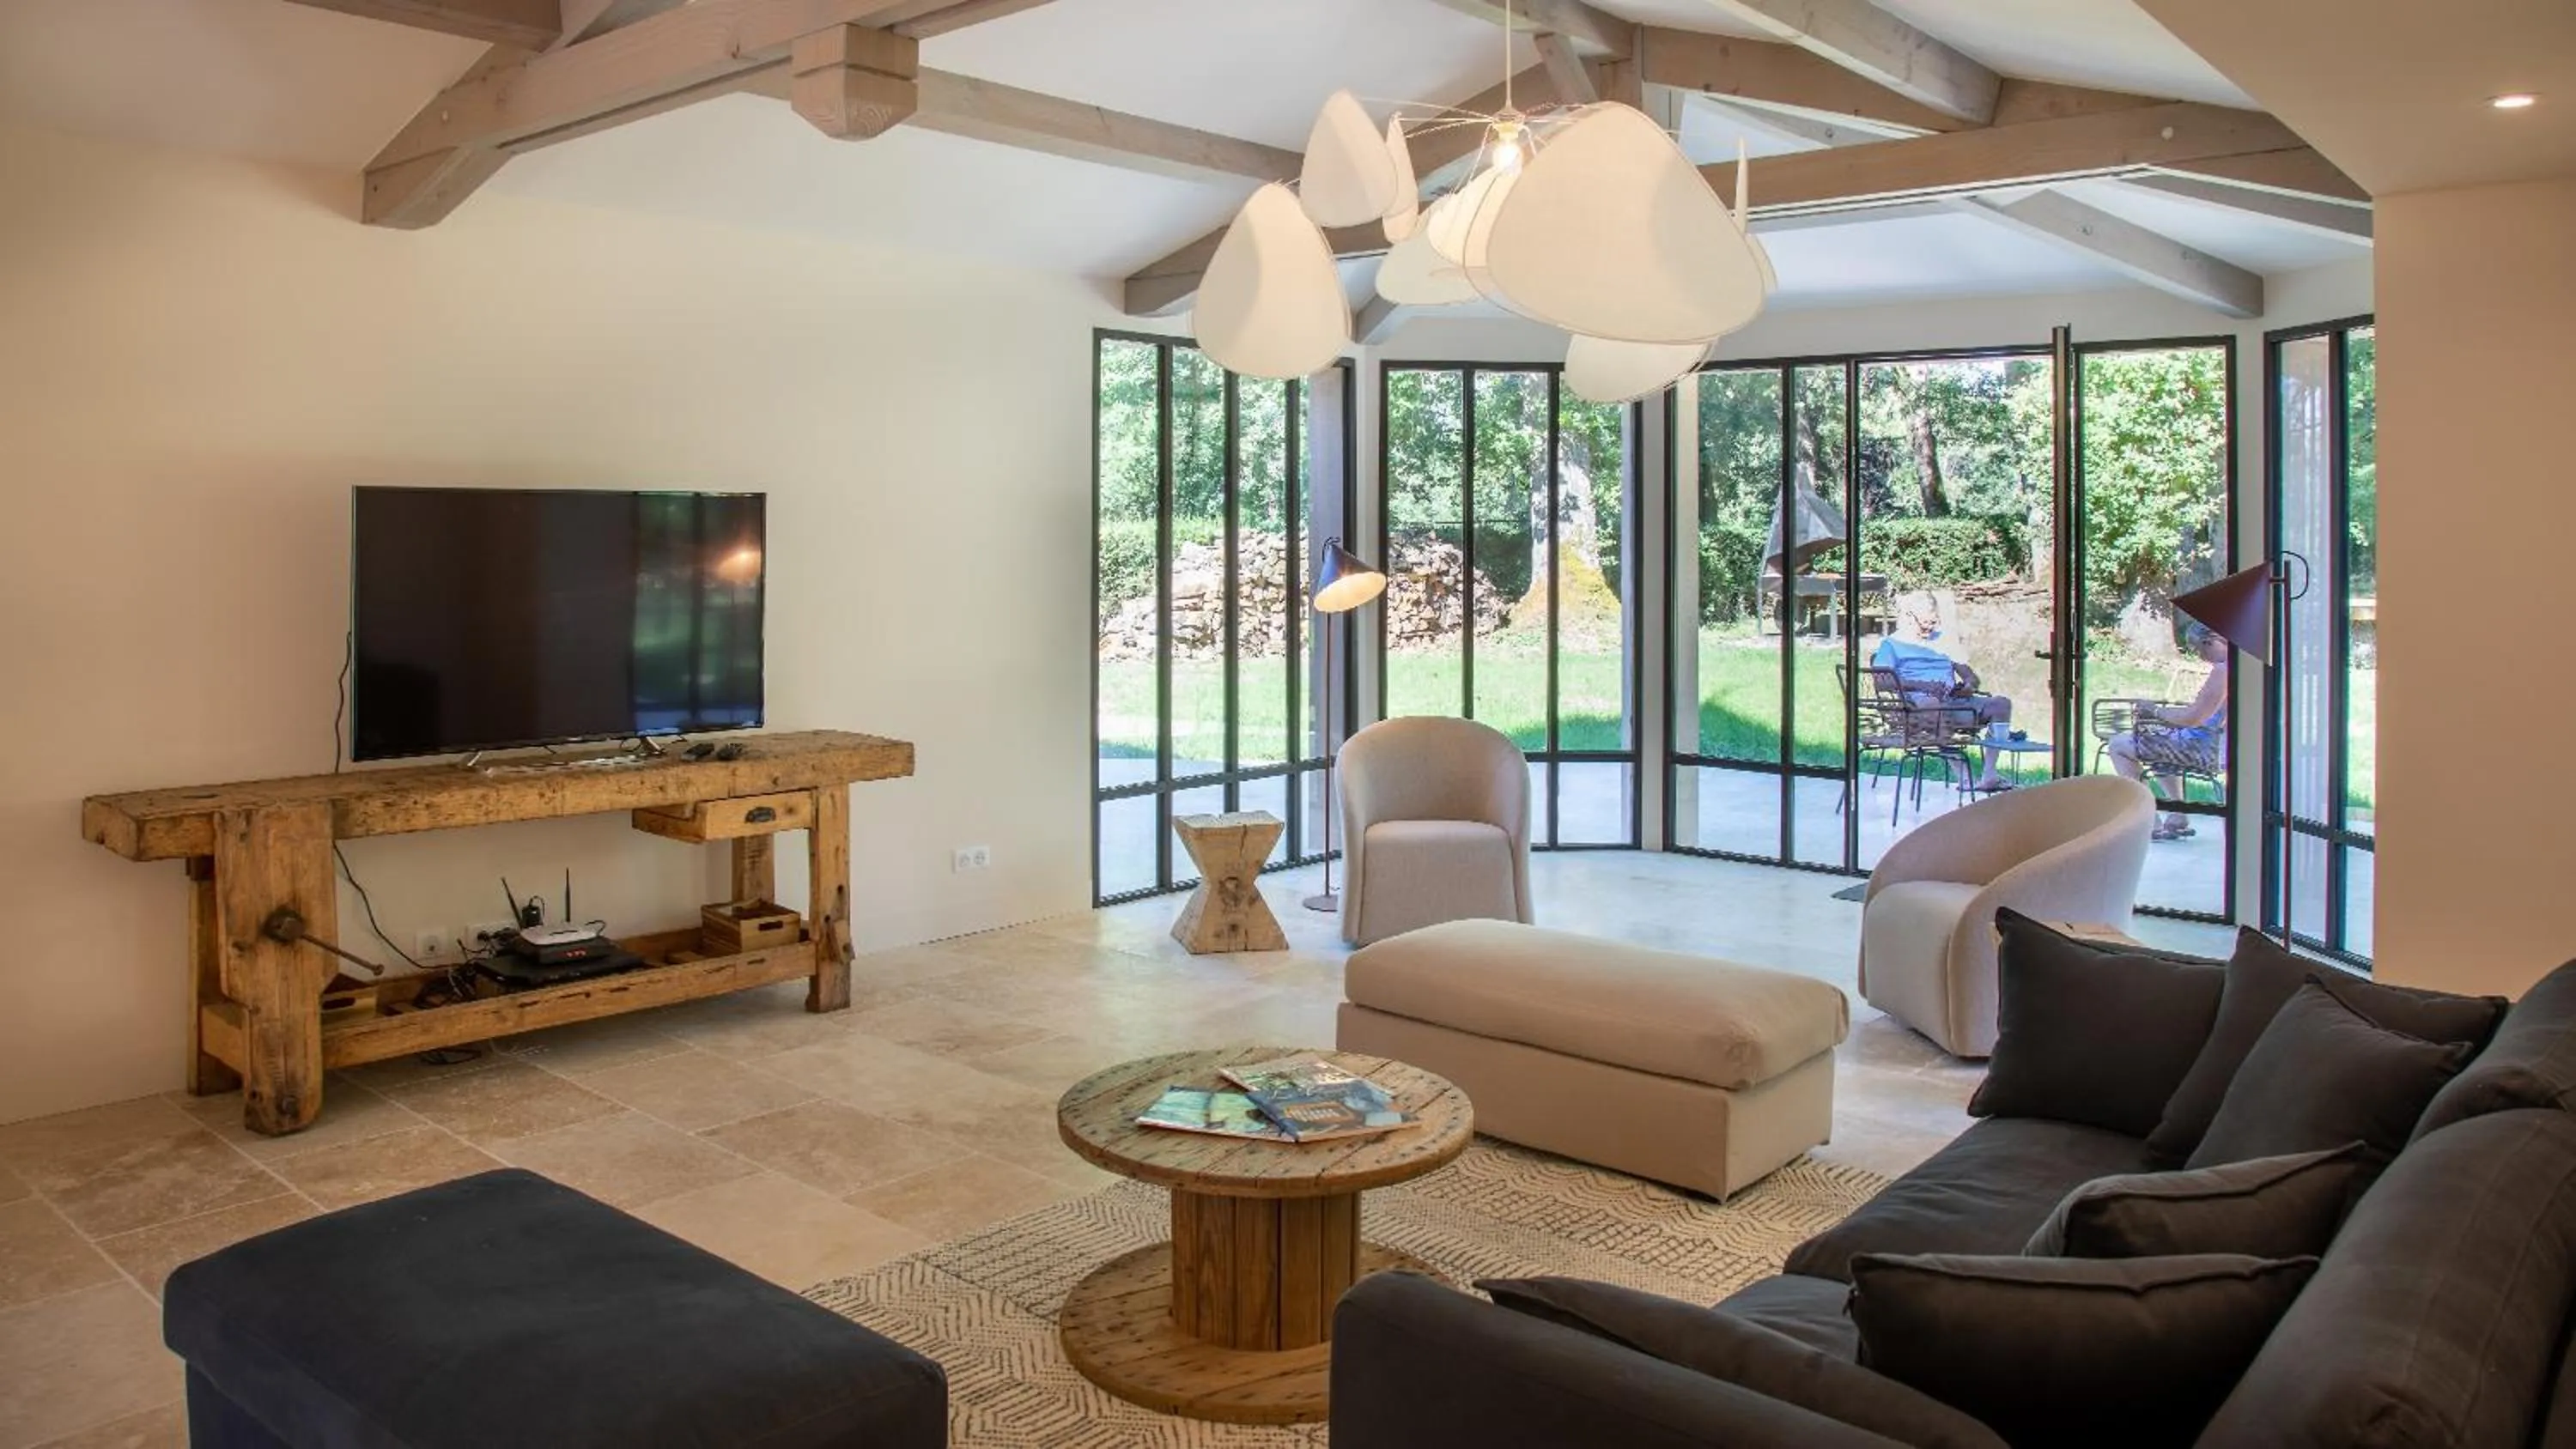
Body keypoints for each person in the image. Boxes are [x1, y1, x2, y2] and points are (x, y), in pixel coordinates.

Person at [1870, 591, 2018, 791]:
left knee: (2001, 704)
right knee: (1932, 705)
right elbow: (1882, 682)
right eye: (1925, 623)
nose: (1929, 628)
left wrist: (1968, 686)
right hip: (1915, 706)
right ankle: (1964, 777)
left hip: (1953, 701)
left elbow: (1971, 677)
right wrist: (1922, 686)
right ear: (1909, 617)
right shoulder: (1892, 644)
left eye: (1933, 622)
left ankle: (1989, 775)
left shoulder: (1944, 640)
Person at [2110, 626, 2230, 841]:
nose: (2200, 657)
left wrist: (2154, 711)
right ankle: (2177, 815)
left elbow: (2194, 717)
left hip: (2204, 749)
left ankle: (2149, 822)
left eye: (2198, 649)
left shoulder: (2223, 671)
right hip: (2218, 745)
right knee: (2156, 742)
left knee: (2119, 745)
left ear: (2211, 640)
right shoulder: (2242, 668)